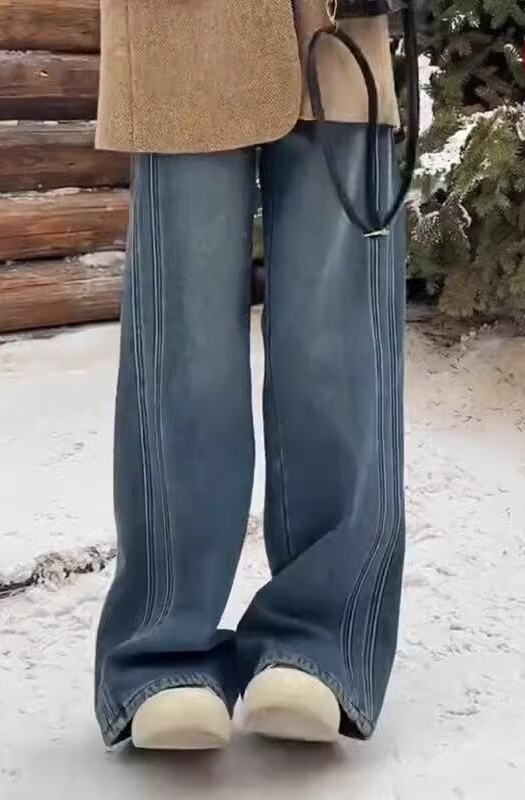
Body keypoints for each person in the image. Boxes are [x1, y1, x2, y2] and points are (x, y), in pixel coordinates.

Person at [94, 0, 405, 750]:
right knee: (185, 342)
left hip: (339, 21)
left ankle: (322, 638)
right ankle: (164, 647)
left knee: (338, 339)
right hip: (180, 26)